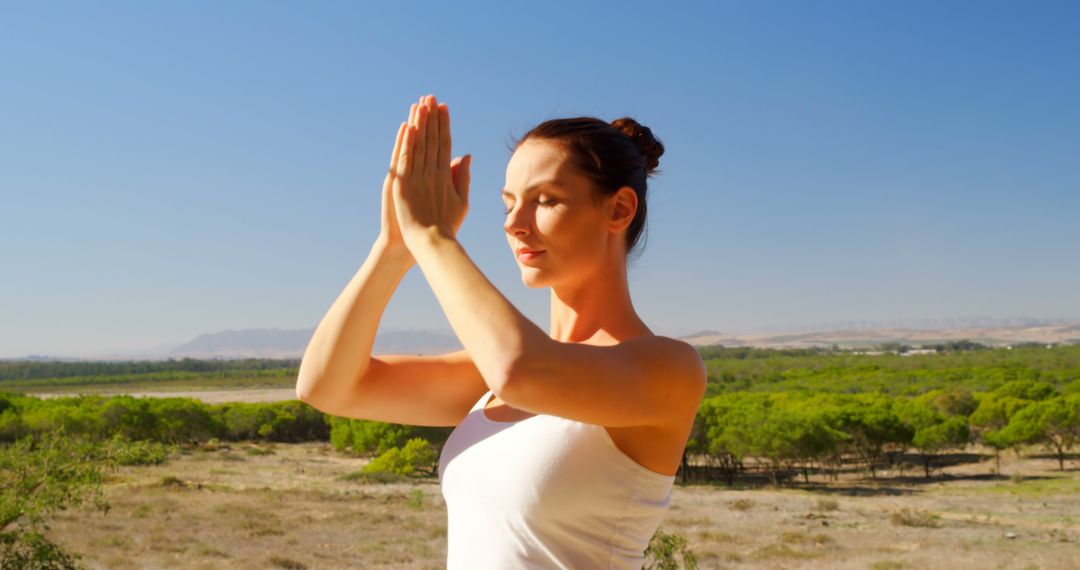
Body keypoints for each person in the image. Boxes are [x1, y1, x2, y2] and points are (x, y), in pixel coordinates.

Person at [296, 94, 706, 569]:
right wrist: (393, 247)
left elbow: (521, 371)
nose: (514, 224)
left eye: (545, 200)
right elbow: (326, 386)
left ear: (618, 210)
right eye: (509, 203)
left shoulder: (666, 370)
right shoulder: (491, 373)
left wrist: (432, 236)